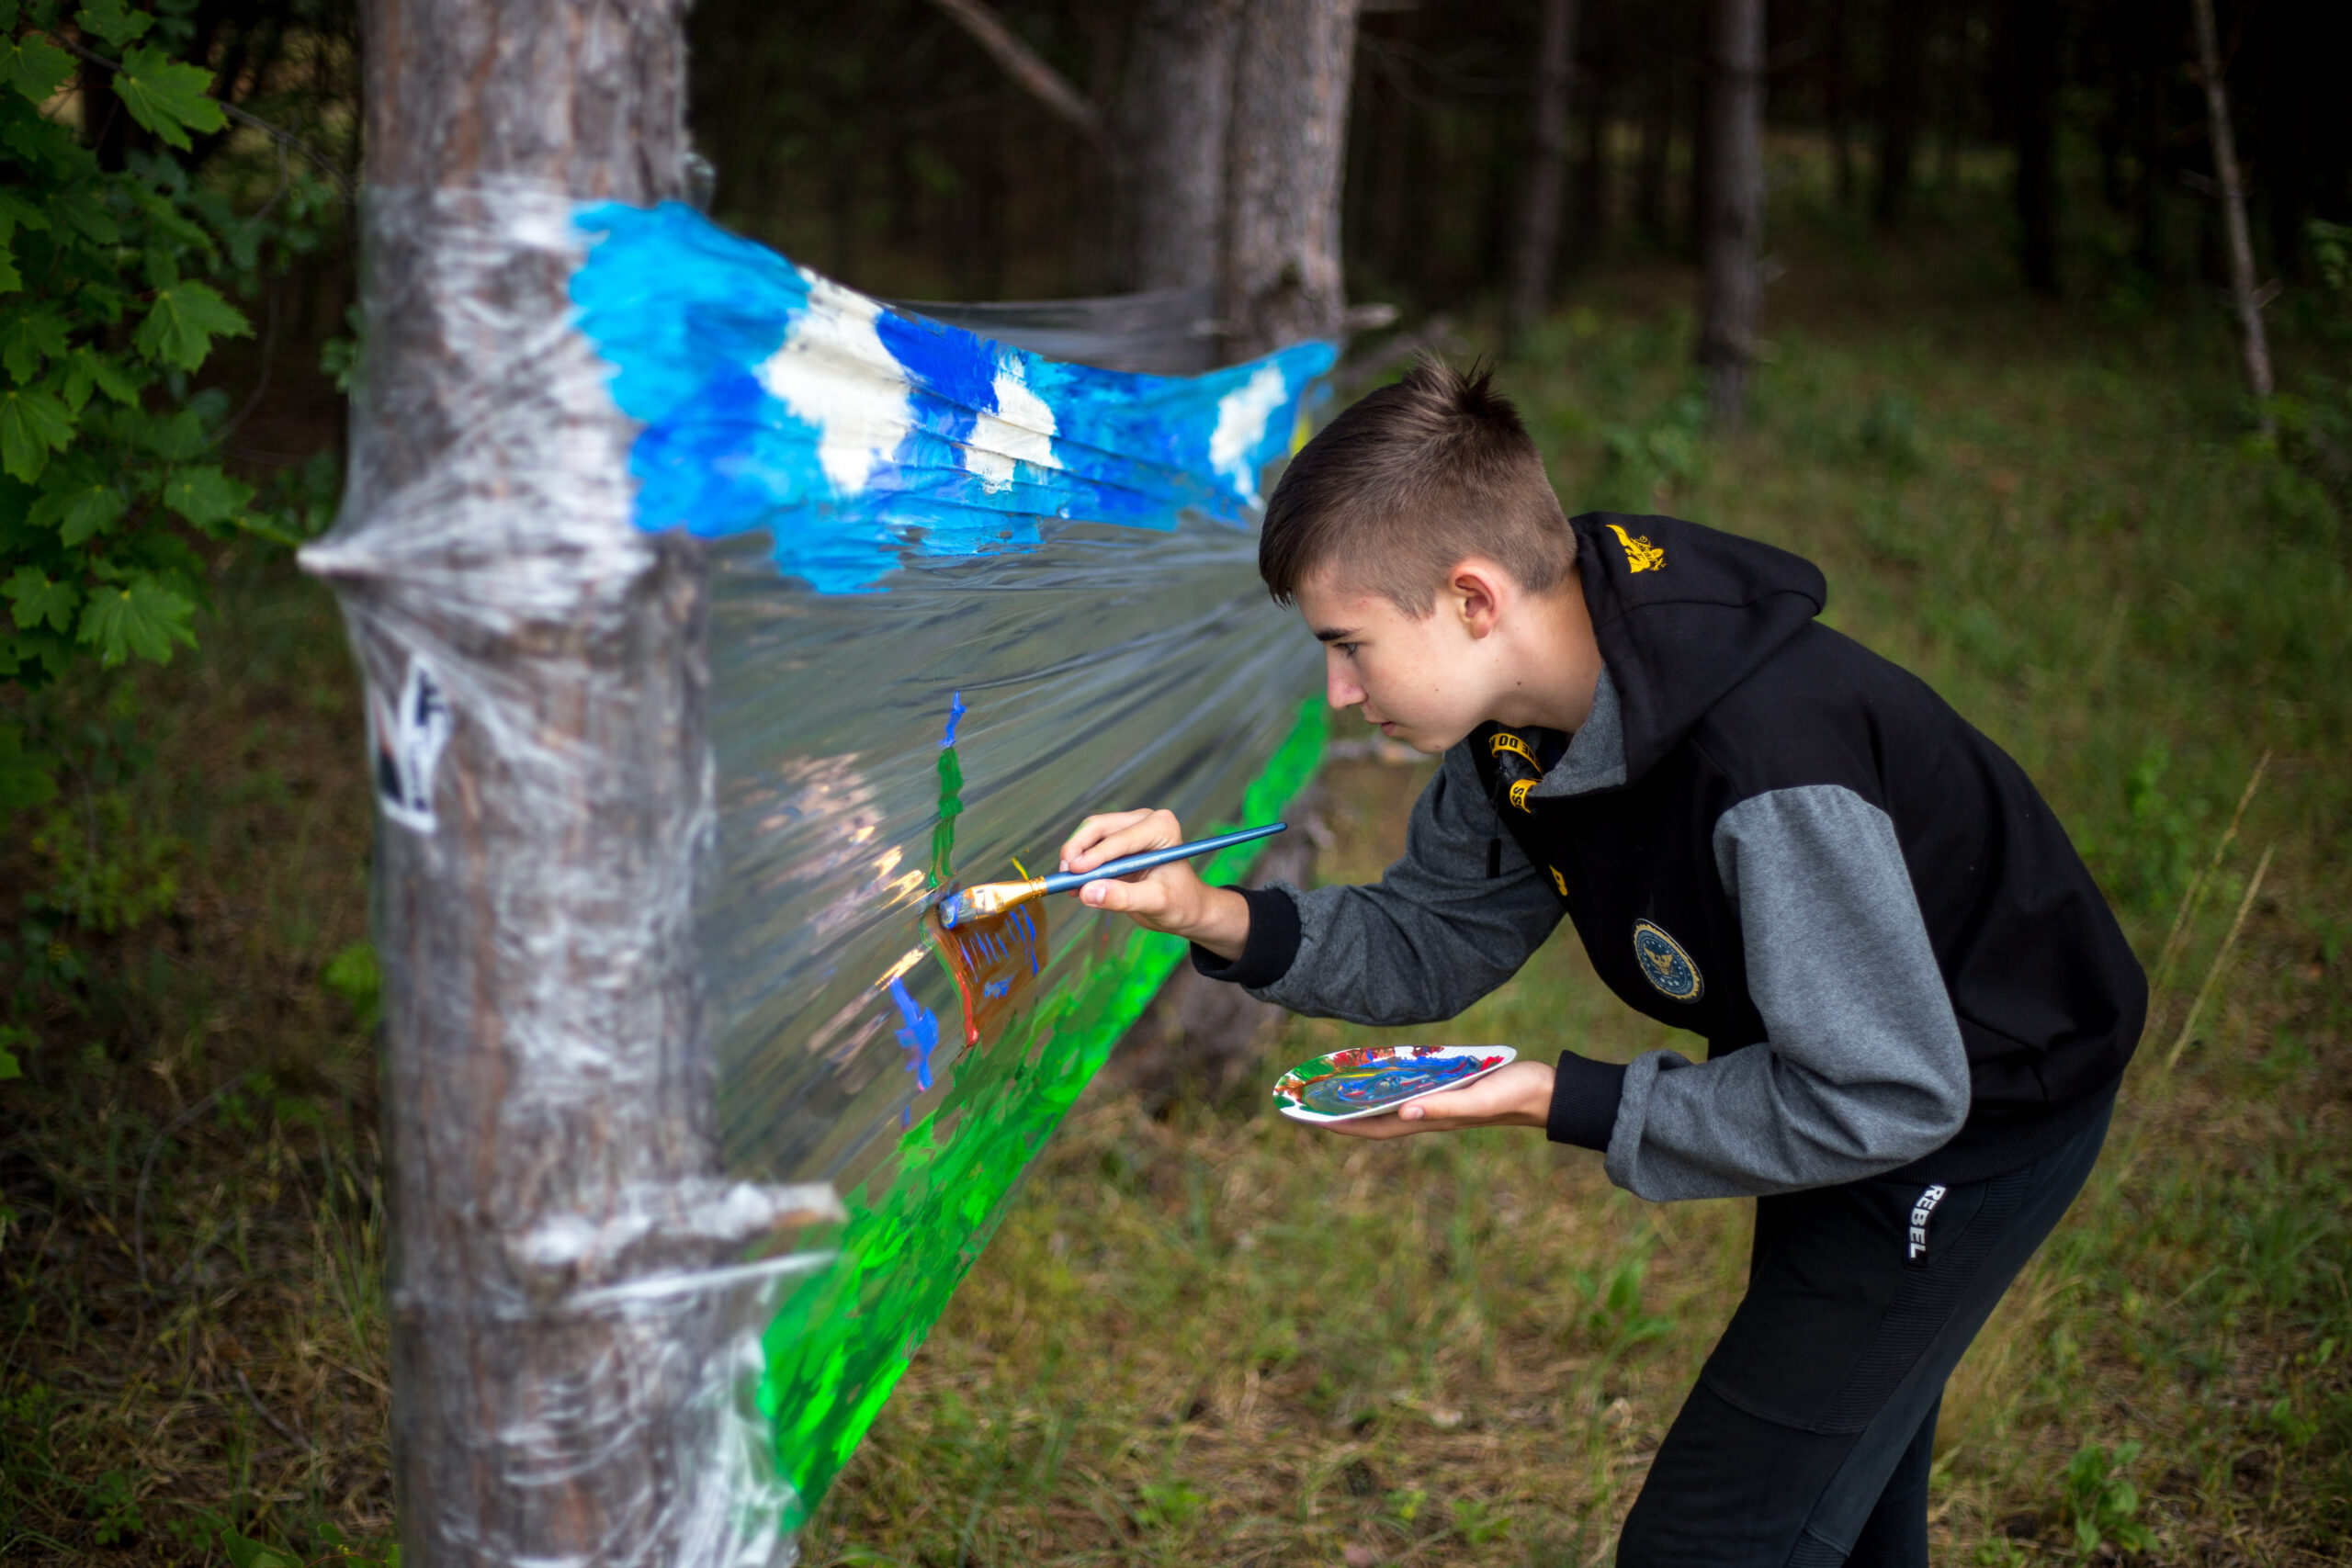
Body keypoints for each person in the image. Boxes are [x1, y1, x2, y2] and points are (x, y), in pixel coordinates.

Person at [1056, 359, 2144, 1568]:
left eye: (1350, 645)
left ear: (1473, 598)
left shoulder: (1765, 767)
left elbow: (1884, 1093)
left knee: (1715, 1541)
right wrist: (1207, 912)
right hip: (1827, 1075)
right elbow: (1431, 935)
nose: (1340, 691)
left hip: (1972, 1115)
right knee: (1842, 1502)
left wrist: (1554, 1096)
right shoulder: (1518, 721)